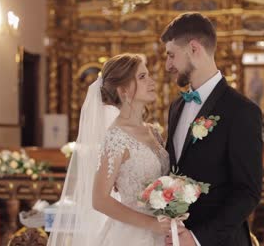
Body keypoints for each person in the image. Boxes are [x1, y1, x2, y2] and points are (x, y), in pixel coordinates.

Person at [47, 54, 171, 246]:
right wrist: (151, 224)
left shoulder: (152, 131)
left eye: (148, 75)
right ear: (123, 90)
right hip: (134, 235)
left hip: (163, 231)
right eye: (142, 77)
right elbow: (99, 199)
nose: (152, 82)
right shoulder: (116, 137)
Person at [162, 12, 263, 246]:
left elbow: (248, 192)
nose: (168, 65)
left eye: (171, 55)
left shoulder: (241, 111)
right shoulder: (177, 106)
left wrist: (197, 238)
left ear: (194, 48)